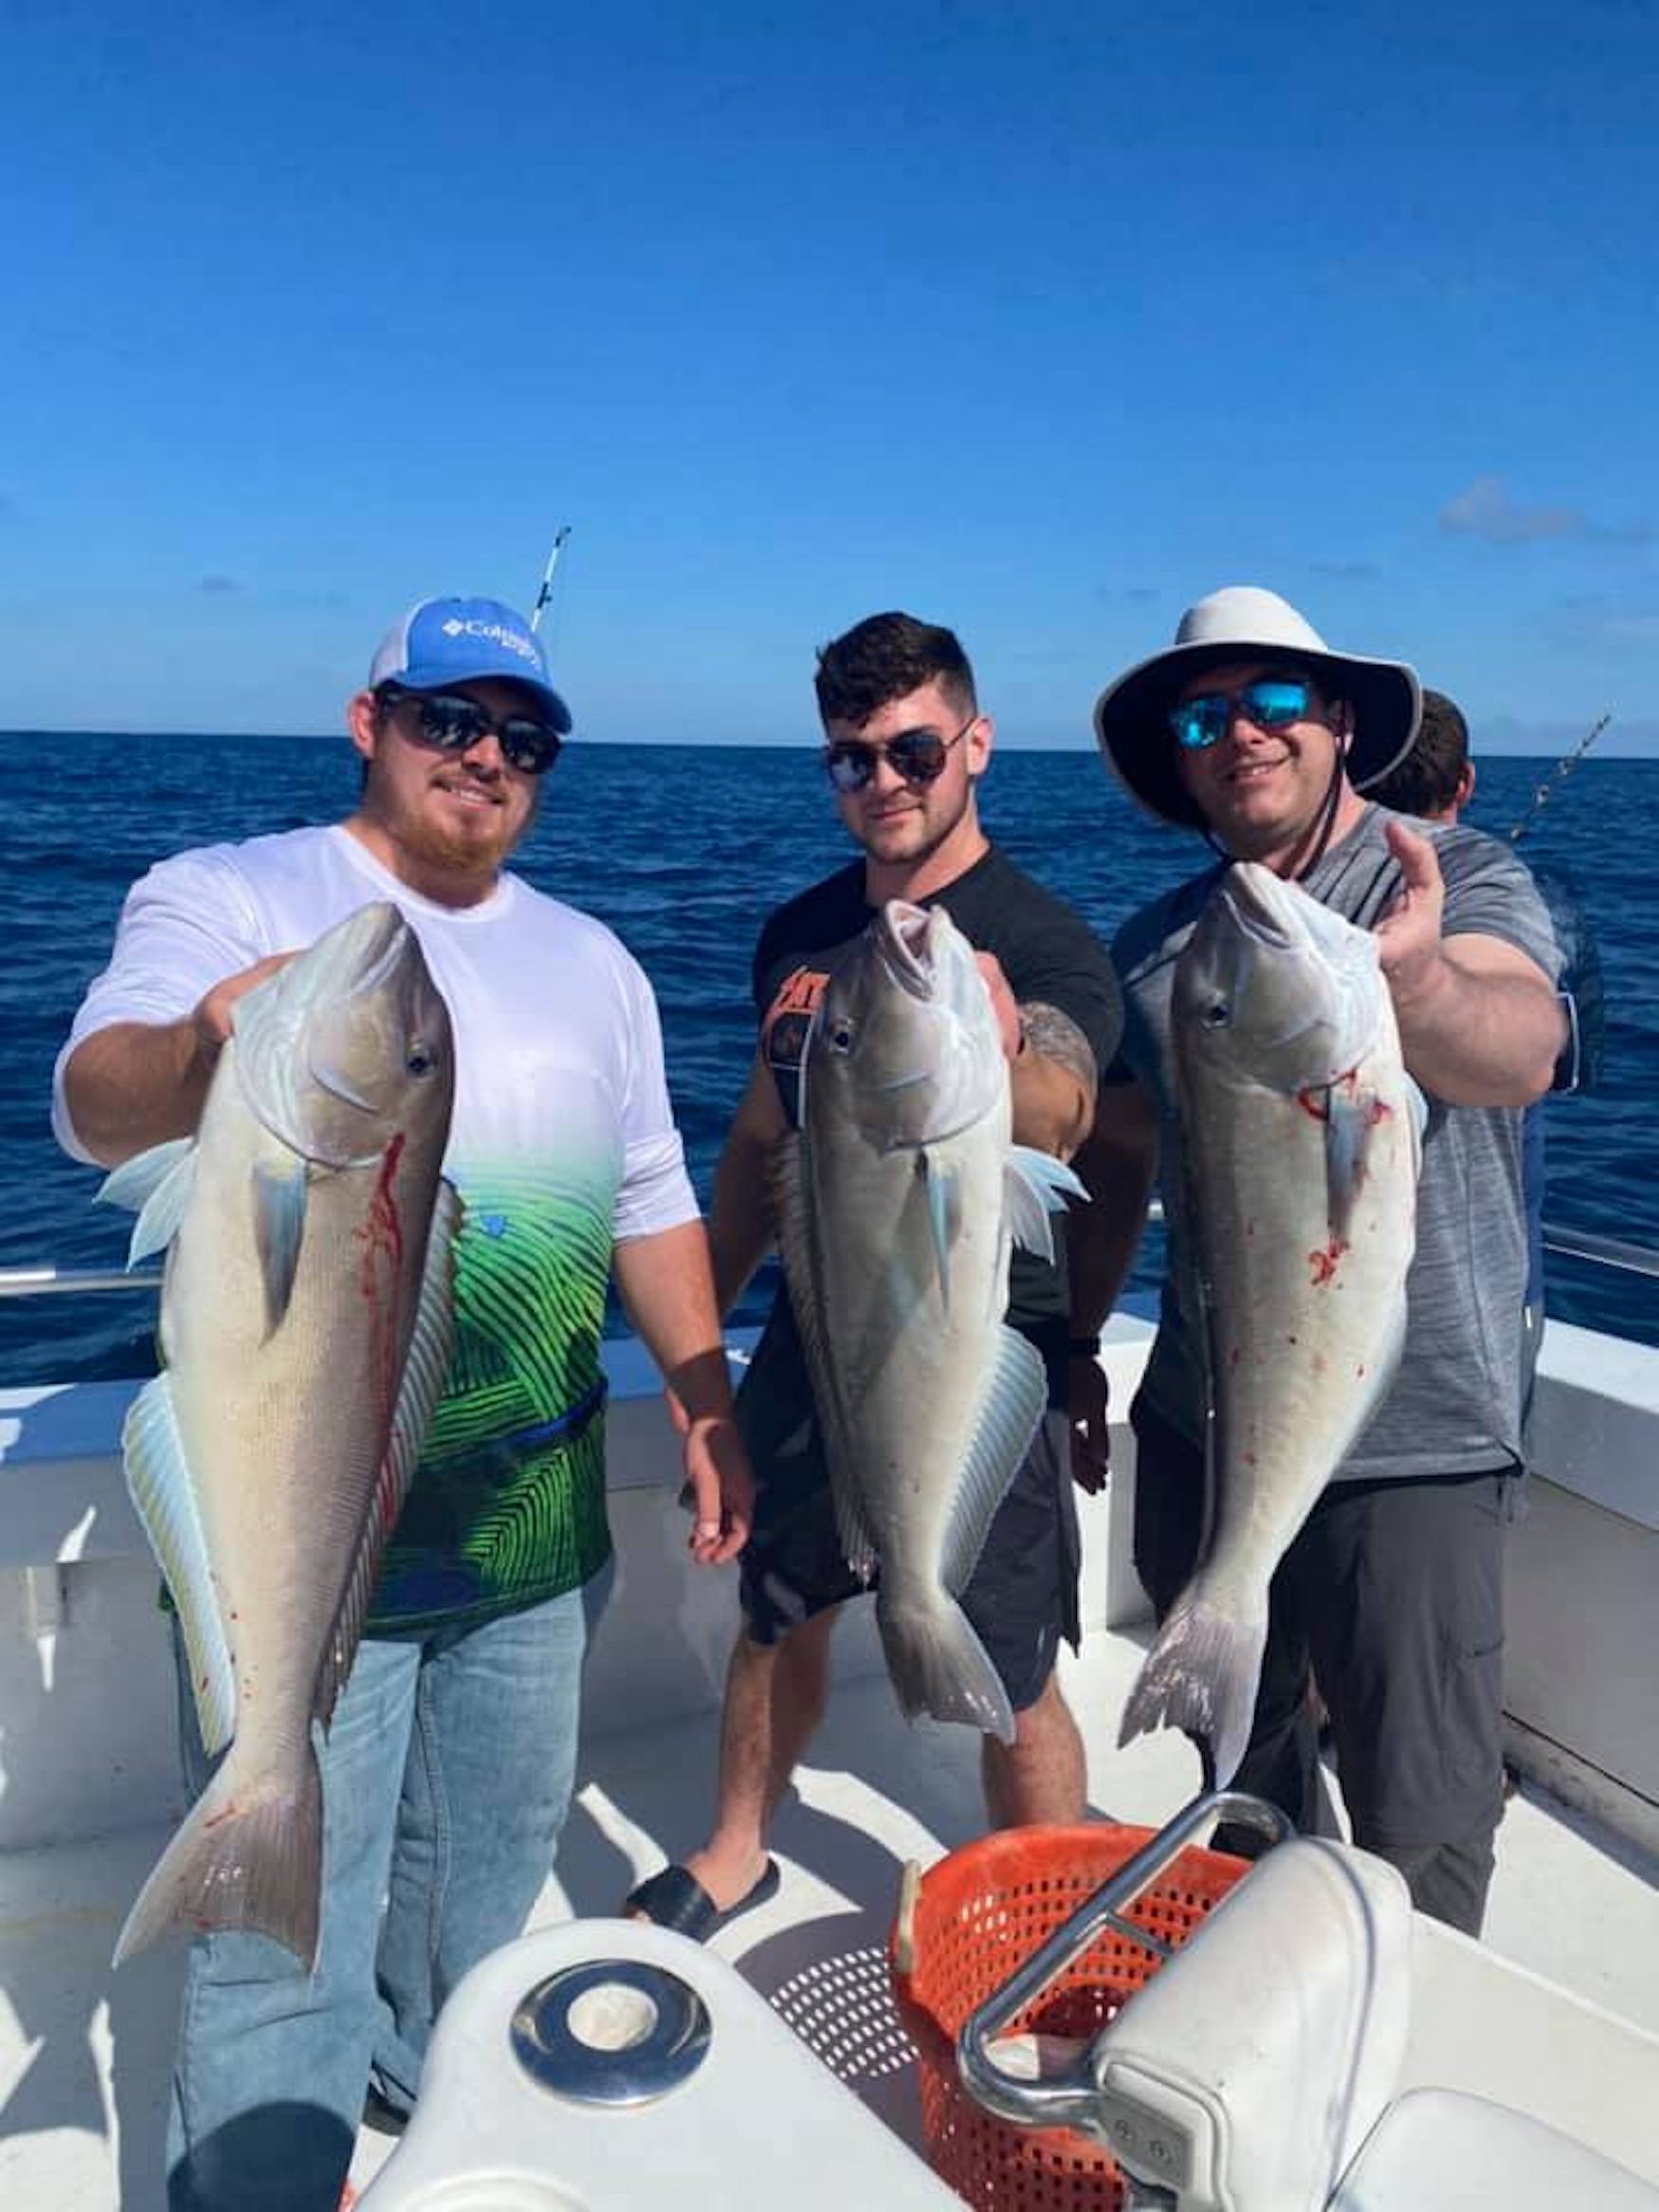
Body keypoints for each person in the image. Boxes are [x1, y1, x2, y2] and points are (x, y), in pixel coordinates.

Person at [52, 595, 754, 2212]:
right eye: (450, 717)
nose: (488, 755)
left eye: (525, 736)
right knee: (277, 1948)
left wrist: (706, 1401)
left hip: (536, 1537)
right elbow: (94, 1105)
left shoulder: (593, 962)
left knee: (476, 1905)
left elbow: (651, 1194)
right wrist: (207, 1043)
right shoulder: (228, 894)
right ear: (369, 721)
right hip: (308, 1565)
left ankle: (420, 2104)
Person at [624, 611, 1123, 1938]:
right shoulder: (797, 937)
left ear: (975, 744)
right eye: (852, 758)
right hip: (820, 1332)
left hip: (976, 1345)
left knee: (1012, 1664)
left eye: (912, 750)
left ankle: (1047, 1909)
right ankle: (736, 1845)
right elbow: (755, 1146)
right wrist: (693, 1355)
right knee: (772, 1615)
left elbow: (1063, 1108)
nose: (884, 780)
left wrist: (1003, 1059)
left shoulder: (1042, 940)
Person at [1071, 586, 1562, 1936]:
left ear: (1339, 719)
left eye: (1275, 699)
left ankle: (1406, 2028)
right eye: (1202, 716)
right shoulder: (1156, 948)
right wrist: (1073, 1345)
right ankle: (1270, 1971)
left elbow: (1518, 1049)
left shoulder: (1451, 877)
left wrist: (1415, 984)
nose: (1242, 732)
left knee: (1421, 1811)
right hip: (1200, 1420)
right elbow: (1120, 1157)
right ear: (1176, 756)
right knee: (1244, 1781)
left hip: (1416, 1442)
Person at [1365, 687, 1605, 1422]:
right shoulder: (1536, 897)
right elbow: (1571, 1067)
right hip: (1486, 1291)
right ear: (1464, 782)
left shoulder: (1329, 909)